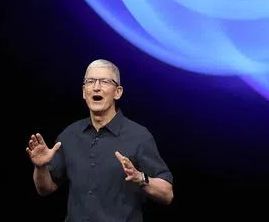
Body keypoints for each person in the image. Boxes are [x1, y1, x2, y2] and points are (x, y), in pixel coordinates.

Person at [27, 59, 174, 220]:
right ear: (84, 91)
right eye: (90, 81)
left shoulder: (139, 136)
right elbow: (45, 188)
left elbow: (167, 194)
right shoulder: (69, 135)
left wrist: (140, 178)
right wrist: (40, 168)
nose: (96, 87)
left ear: (118, 92)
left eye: (104, 81)